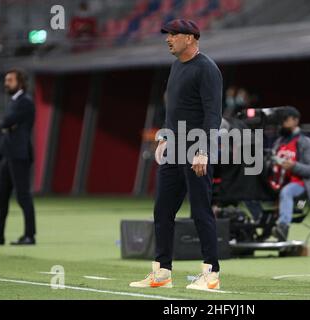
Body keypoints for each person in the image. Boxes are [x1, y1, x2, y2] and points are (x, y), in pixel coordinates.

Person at [129, 19, 223, 290]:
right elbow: (175, 111)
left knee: (201, 211)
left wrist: (203, 151)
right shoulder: (176, 66)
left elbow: (213, 114)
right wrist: (164, 136)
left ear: (191, 38)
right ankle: (161, 273)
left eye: (174, 35)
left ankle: (211, 274)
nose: (168, 39)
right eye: (167, 35)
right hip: (174, 150)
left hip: (197, 149)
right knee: (162, 211)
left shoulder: (207, 69)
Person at [0, 69, 36, 246]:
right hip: (8, 155)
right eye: (6, 80)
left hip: (19, 155)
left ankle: (30, 235)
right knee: (1, 195)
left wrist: (6, 124)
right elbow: (6, 124)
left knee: (23, 196)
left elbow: (5, 122)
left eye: (10, 80)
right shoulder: (14, 101)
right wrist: (6, 125)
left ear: (20, 83)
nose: (6, 83)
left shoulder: (25, 102)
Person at [270, 107, 310, 242]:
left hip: (301, 185)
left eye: (285, 121)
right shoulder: (279, 142)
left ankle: (283, 227)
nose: (282, 124)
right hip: (279, 182)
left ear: (295, 121)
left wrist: (294, 166)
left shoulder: (306, 142)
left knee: (286, 192)